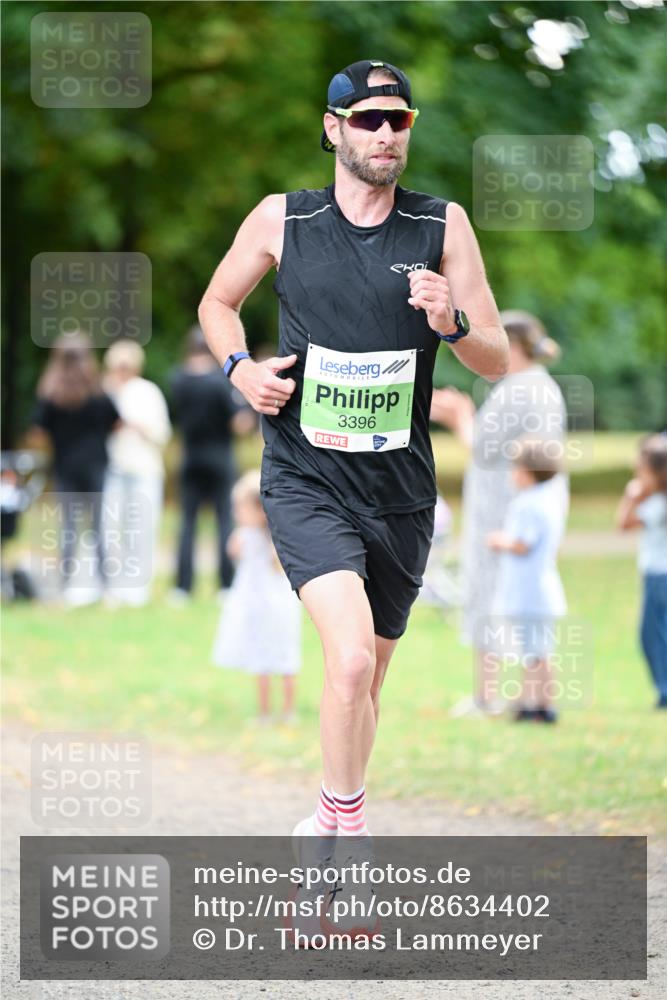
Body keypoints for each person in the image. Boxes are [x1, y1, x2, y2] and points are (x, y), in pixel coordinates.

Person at [198, 59, 509, 944]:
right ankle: (348, 851)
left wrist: (450, 321)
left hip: (400, 493)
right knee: (344, 667)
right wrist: (240, 370)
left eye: (396, 120)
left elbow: (495, 356)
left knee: (364, 688)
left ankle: (321, 827)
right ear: (332, 128)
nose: (383, 133)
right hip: (306, 478)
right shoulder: (283, 218)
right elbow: (217, 303)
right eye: (366, 118)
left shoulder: (441, 225)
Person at [431, 310, 568, 718]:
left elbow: (483, 448)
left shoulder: (520, 389)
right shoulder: (541, 386)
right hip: (522, 509)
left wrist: (460, 417)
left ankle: (488, 695)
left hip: (503, 512)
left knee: (490, 597)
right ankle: (526, 697)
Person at [29, 332, 120, 604]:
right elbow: (116, 422)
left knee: (68, 526)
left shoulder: (50, 394)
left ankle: (64, 587)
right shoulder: (98, 392)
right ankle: (106, 588)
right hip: (96, 464)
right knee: (98, 526)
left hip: (65, 466)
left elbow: (37, 432)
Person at [168, 324, 254, 603]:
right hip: (219, 457)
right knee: (224, 520)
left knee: (187, 523)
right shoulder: (220, 381)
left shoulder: (177, 378)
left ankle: (182, 588)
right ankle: (226, 584)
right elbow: (240, 423)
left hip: (190, 457)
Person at [211, 469, 301, 725]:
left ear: (260, 510)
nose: (236, 513)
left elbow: (235, 553)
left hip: (269, 606)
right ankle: (274, 712)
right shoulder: (268, 537)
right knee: (273, 659)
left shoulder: (260, 538)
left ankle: (279, 711)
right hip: (268, 605)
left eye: (240, 508)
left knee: (276, 659)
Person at [487, 439, 567, 723]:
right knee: (538, 649)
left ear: (527, 471)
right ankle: (536, 701)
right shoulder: (550, 499)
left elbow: (523, 544)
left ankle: (536, 704)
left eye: (515, 467)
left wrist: (499, 540)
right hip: (541, 588)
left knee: (534, 652)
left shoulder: (527, 504)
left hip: (530, 593)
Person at [102, 340, 172, 607]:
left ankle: (138, 590)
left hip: (144, 469)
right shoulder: (104, 391)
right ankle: (112, 587)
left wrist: (136, 426)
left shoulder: (147, 392)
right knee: (110, 529)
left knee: (141, 528)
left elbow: (162, 433)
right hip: (112, 469)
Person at [616, 433, 667, 709]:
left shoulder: (657, 505)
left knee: (653, 635)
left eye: (642, 472)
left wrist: (631, 496)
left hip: (659, 576)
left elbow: (623, 524)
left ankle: (664, 690)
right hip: (657, 575)